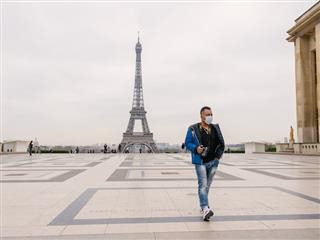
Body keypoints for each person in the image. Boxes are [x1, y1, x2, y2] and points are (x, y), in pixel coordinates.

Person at [184, 106, 225, 221]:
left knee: (207, 185)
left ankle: (203, 205)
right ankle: (205, 208)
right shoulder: (193, 128)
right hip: (200, 161)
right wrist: (196, 148)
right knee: (203, 184)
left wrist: (217, 157)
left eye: (211, 114)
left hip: (213, 162)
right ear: (201, 116)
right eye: (207, 114)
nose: (210, 117)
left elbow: (222, 143)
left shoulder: (216, 128)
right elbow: (187, 143)